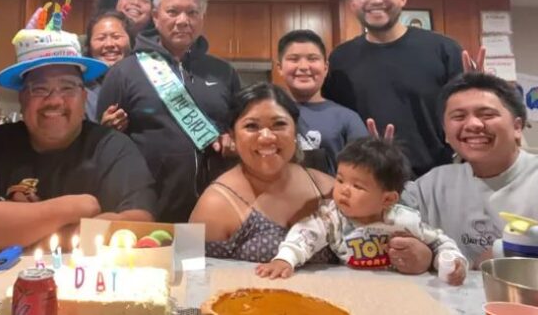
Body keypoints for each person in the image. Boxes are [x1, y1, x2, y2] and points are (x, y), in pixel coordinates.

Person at [0, 1, 157, 253]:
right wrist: (76, 207)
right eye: (40, 89)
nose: (54, 100)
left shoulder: (113, 147)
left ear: (84, 97)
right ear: (22, 98)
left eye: (67, 87)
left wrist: (16, 230)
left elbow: (140, 223)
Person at [97, 0, 241, 222]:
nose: (182, 21)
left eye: (192, 12)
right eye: (172, 12)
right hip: (147, 206)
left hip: (217, 205)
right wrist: (106, 130)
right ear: (155, 16)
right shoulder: (124, 72)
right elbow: (102, 144)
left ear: (202, 18)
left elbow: (242, 126)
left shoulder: (223, 72)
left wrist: (233, 137)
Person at [256, 137, 467, 286]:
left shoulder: (403, 220)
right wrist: (285, 259)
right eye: (340, 180)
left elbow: (439, 241)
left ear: (388, 199)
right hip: (350, 286)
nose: (344, 190)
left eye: (358, 186)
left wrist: (451, 261)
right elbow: (305, 234)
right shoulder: (332, 216)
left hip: (398, 288)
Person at [322, 0, 463, 178]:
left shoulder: (443, 49)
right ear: (353, 4)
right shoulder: (340, 59)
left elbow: (466, 112)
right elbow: (332, 119)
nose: (375, 0)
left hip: (435, 178)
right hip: (364, 180)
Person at [190, 83, 337, 263]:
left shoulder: (327, 188)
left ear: (295, 131)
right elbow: (195, 279)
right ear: (233, 136)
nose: (266, 137)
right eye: (252, 126)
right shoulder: (214, 205)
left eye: (279, 124)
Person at [402, 72, 538, 268]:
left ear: (517, 127)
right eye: (458, 116)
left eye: (487, 115)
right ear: (446, 134)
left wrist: (501, 254)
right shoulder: (432, 185)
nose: (473, 124)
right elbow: (378, 215)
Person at [277, 29, 368, 175]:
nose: (304, 67)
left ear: (325, 68)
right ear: (280, 68)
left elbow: (365, 169)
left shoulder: (347, 118)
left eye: (312, 59)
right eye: (294, 59)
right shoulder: (269, 113)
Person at [82, 10, 134, 123]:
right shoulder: (81, 90)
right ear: (89, 46)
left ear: (131, 41)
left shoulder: (146, 79)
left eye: (116, 37)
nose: (109, 44)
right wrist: (102, 131)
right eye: (101, 38)